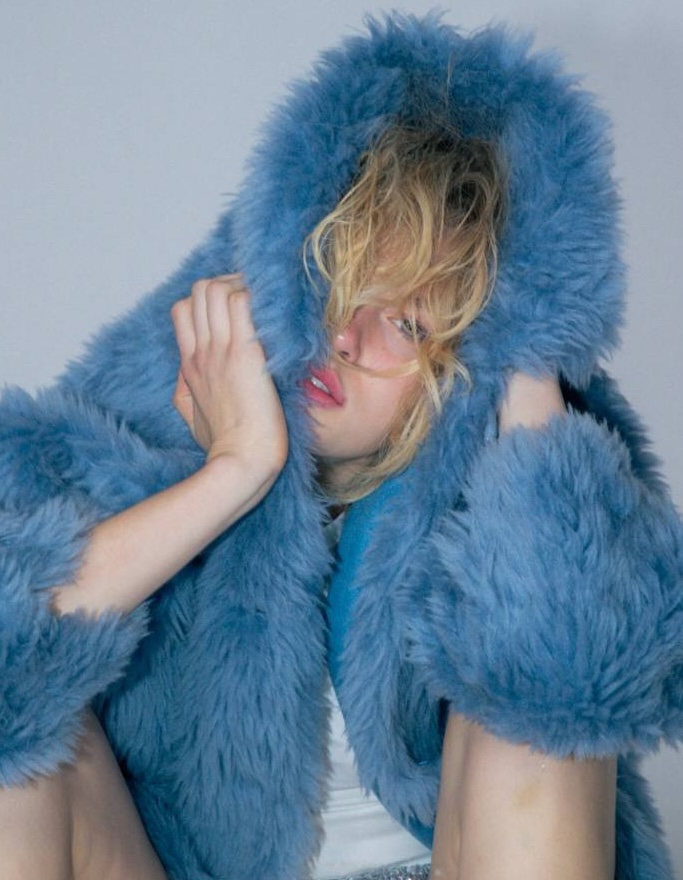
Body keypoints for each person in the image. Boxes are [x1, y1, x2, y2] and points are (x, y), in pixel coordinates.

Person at [0, 13, 681, 880]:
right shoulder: (132, 439)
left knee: (538, 688)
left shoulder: (513, 479)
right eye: (339, 281)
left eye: (407, 323)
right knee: (23, 734)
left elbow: (590, 667)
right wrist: (235, 469)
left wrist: (531, 350)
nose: (346, 339)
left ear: (466, 363)